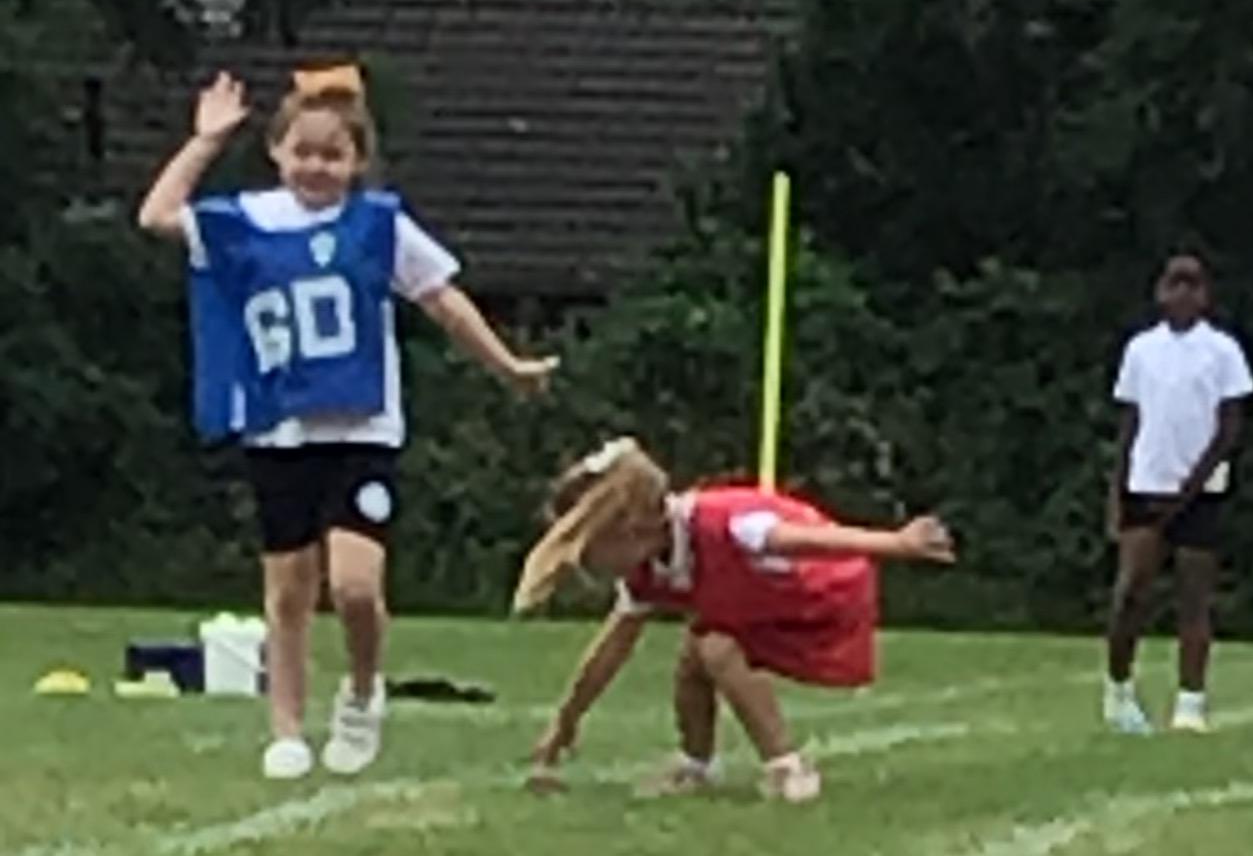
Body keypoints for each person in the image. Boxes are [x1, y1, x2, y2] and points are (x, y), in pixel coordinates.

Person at [137, 66, 555, 784]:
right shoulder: (248, 220)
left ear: (358, 161)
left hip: (361, 429)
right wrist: (205, 141)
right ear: (277, 150)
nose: (316, 167)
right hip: (280, 428)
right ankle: (287, 729)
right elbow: (157, 215)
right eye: (303, 151)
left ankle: (362, 692)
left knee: (357, 586)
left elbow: (443, 299)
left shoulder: (378, 226)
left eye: (333, 155)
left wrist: (506, 365)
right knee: (289, 591)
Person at [517, 439, 955, 800]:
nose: (587, 561)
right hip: (760, 602)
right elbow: (612, 648)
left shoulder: (727, 525)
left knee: (714, 645)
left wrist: (895, 544)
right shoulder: (647, 570)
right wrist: (567, 719)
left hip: (821, 595)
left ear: (633, 528)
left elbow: (811, 540)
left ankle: (786, 766)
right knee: (695, 656)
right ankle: (696, 764)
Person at [1101, 250, 1253, 734]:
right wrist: (1116, 490)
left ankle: (1191, 700)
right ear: (1160, 292)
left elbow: (1229, 427)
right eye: (1174, 284)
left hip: (1200, 491)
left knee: (1194, 596)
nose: (1183, 294)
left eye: (1193, 285)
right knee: (1132, 591)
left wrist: (1191, 484)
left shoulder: (1223, 351)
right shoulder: (1141, 349)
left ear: (1205, 295)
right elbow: (1130, 423)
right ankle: (1118, 689)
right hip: (1146, 483)